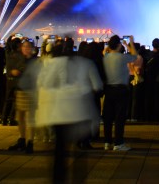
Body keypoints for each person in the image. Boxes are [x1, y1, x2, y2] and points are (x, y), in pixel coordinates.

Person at [34, 38, 102, 184]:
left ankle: (58, 180)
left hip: (57, 114)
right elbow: (97, 85)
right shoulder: (86, 63)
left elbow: (41, 83)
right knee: (79, 157)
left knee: (59, 152)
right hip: (79, 113)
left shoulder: (50, 64)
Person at [101, 35, 139, 151]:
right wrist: (131, 43)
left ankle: (107, 142)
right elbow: (135, 56)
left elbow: (104, 51)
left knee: (108, 118)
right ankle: (118, 143)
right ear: (119, 45)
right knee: (119, 118)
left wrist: (109, 46)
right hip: (121, 90)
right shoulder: (123, 57)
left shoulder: (105, 57)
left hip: (108, 89)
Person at [7, 38, 39, 154]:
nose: (26, 49)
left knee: (30, 118)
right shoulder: (19, 59)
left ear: (32, 49)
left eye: (28, 47)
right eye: (24, 47)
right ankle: (21, 139)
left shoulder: (35, 61)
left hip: (31, 91)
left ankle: (30, 142)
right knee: (19, 117)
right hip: (20, 90)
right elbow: (10, 70)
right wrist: (12, 72)